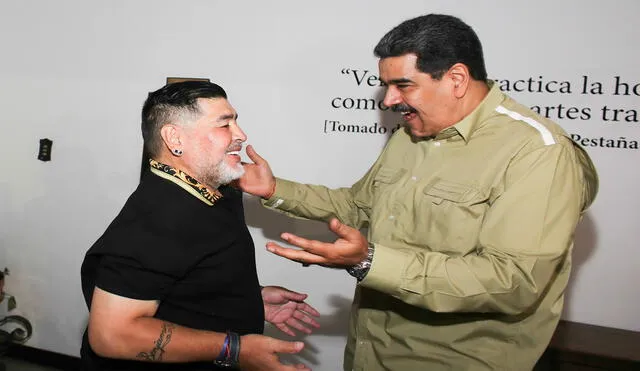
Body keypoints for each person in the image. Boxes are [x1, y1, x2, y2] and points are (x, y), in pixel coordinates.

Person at [236, 13, 599, 371]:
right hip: (370, 352)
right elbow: (358, 206)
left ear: (456, 78)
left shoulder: (538, 152)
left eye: (403, 85)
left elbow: (513, 281)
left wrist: (368, 262)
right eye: (386, 86)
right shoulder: (412, 133)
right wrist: (273, 190)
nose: (390, 100)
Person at [80, 80, 320, 371]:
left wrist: (248, 299)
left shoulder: (218, 190)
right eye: (224, 125)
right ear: (175, 139)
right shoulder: (158, 217)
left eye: (236, 122)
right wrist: (236, 349)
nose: (241, 135)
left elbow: (180, 279)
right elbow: (111, 335)